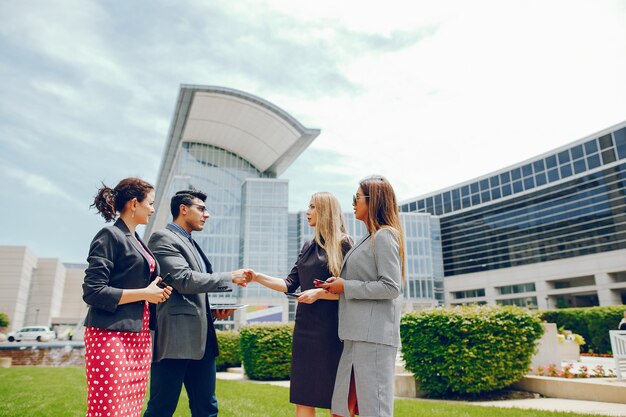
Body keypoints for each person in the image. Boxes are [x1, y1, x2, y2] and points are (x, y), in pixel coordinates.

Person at [245, 192, 353, 417]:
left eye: (313, 207)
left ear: (325, 211)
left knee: (337, 396)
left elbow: (352, 292)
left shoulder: (344, 244)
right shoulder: (308, 245)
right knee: (303, 394)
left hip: (333, 331)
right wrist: (257, 276)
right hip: (305, 329)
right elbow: (289, 284)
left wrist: (319, 294)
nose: (307, 211)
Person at [143, 190, 249, 417]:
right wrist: (229, 276)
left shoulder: (191, 243)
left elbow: (195, 290)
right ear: (183, 209)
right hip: (176, 340)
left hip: (203, 340)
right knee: (161, 408)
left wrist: (213, 311)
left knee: (207, 408)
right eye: (201, 208)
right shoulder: (163, 238)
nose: (207, 215)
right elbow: (183, 280)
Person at [82, 177, 172, 417]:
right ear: (134, 203)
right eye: (150, 203)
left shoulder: (139, 241)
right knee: (109, 410)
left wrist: (156, 291)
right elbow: (93, 291)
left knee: (131, 410)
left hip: (140, 336)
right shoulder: (109, 235)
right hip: (110, 335)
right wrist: (145, 293)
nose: (153, 209)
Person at [322, 175, 405, 417]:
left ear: (374, 200)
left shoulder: (385, 236)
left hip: (373, 338)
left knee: (374, 410)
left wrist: (346, 286)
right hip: (355, 336)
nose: (353, 203)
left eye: (357, 197)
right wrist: (338, 286)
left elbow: (391, 287)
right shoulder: (369, 238)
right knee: (341, 410)